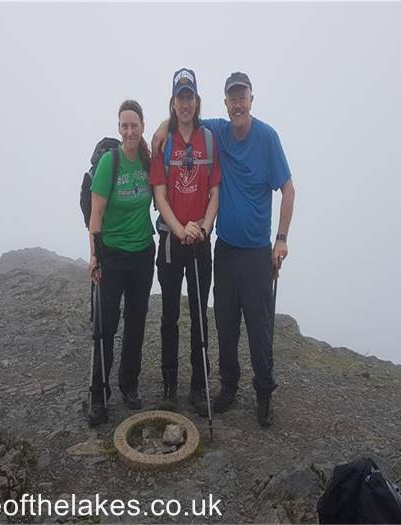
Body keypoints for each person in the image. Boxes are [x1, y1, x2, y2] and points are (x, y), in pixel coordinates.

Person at [152, 72, 295, 428]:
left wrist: (281, 239)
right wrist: (162, 126)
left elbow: (288, 190)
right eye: (232, 99)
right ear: (225, 102)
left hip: (257, 251)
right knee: (225, 323)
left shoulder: (267, 138)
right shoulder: (219, 132)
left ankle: (264, 392)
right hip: (226, 249)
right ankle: (229, 387)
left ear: (251, 98)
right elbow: (184, 119)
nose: (237, 104)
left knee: (259, 327)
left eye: (242, 97)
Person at [149, 68, 221, 414]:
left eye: (190, 96)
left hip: (200, 240)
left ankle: (198, 386)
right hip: (171, 241)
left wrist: (204, 228)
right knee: (169, 316)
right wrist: (180, 229)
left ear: (197, 100)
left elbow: (215, 192)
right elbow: (159, 195)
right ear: (173, 102)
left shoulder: (209, 139)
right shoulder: (163, 143)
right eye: (180, 97)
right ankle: (168, 385)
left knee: (198, 316)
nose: (186, 103)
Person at [87, 99, 155, 427]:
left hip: (143, 254)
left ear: (143, 126)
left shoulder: (147, 161)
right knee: (106, 327)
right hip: (112, 255)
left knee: (136, 324)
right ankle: (99, 396)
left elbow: (162, 198)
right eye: (124, 125)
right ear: (119, 128)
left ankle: (129, 385)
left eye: (135, 125)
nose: (129, 130)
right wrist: (94, 257)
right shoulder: (109, 164)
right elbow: (95, 215)